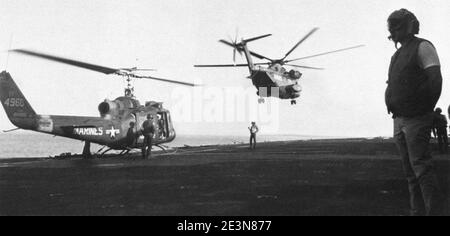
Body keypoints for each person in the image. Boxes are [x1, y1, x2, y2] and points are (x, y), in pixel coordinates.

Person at [385, 9, 443, 216]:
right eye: (391, 25)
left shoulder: (423, 46)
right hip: (399, 118)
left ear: (410, 26)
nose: (393, 29)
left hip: (416, 118)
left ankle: (432, 212)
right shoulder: (398, 54)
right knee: (411, 172)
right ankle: (416, 211)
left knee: (421, 168)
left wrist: (425, 109)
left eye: (397, 25)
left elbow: (435, 80)